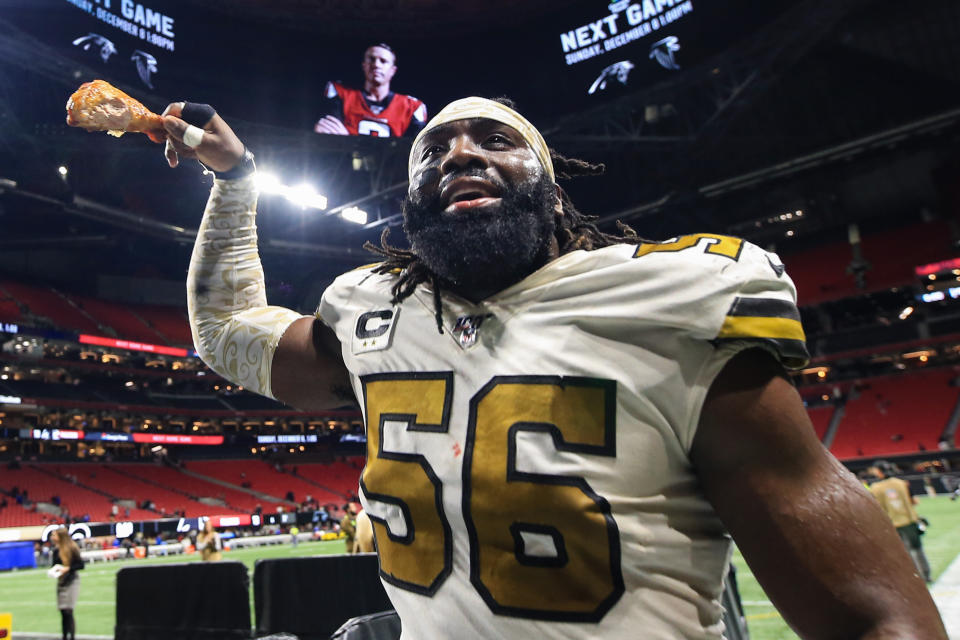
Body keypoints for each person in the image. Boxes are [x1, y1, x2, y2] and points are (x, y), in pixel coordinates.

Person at [161, 97, 947, 638]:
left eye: (494, 140)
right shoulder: (371, 314)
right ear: (410, 199)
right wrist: (235, 181)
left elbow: (871, 616)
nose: (460, 152)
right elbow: (228, 330)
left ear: (553, 186)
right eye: (432, 149)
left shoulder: (668, 299)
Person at [314, 43, 427, 138]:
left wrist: (349, 140)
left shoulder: (411, 107)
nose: (376, 65)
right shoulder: (341, 94)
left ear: (393, 70)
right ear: (364, 65)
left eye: (383, 61)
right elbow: (328, 135)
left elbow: (414, 150)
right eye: (372, 59)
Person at [868, 466, 933, 583]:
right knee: (917, 550)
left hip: (892, 524)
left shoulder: (875, 488)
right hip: (910, 521)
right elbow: (914, 501)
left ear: (878, 472)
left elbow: (876, 508)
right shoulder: (902, 484)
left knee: (904, 554)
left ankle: (913, 578)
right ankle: (926, 575)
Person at [50, 527, 84, 640]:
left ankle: (72, 637)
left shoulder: (72, 548)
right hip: (62, 581)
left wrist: (67, 569)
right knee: (63, 611)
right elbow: (54, 565)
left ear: (60, 537)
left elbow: (81, 565)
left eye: (54, 535)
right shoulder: (55, 551)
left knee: (69, 610)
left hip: (72, 580)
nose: (52, 538)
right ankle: (64, 636)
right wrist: (55, 571)